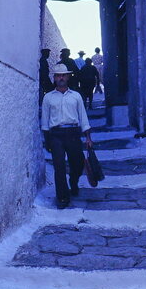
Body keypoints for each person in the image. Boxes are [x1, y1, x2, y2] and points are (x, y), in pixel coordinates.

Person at [41, 64, 93, 209]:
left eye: (63, 75)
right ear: (54, 78)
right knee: (59, 167)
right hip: (56, 135)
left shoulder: (76, 96)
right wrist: (47, 140)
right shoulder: (48, 98)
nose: (61, 78)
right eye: (58, 75)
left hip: (73, 134)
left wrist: (88, 137)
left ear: (68, 77)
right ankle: (62, 197)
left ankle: (74, 181)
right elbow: (45, 121)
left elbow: (83, 117)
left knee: (76, 164)